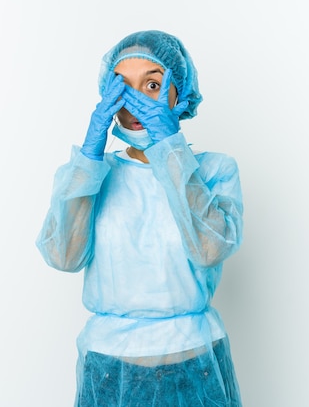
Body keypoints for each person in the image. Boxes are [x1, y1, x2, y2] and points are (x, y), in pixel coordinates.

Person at [36, 30, 244, 407]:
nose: (135, 104)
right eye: (122, 89)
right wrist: (89, 157)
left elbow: (210, 249)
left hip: (193, 362)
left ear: (179, 93)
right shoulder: (88, 175)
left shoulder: (214, 170)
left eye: (152, 85)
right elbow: (62, 257)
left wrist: (170, 148)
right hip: (110, 368)